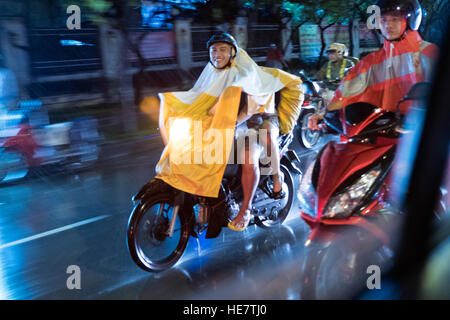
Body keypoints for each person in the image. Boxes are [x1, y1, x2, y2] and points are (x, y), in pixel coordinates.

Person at [156, 32, 303, 231]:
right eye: (213, 50)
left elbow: (250, 109)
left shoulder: (244, 73)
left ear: (233, 53)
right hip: (232, 123)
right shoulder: (212, 74)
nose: (217, 54)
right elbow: (199, 100)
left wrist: (230, 124)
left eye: (223, 49)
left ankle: (246, 209)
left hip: (258, 120)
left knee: (247, 156)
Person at [308, 0, 438, 131]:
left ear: (410, 21)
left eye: (395, 19)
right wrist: (324, 113)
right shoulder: (371, 62)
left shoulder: (429, 53)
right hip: (383, 133)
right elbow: (345, 92)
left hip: (424, 133)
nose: (388, 25)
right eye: (383, 20)